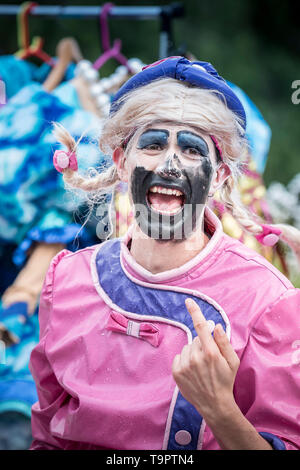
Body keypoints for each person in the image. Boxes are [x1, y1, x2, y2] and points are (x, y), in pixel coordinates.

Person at [28, 57, 300, 450]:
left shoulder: (266, 301)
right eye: (153, 144)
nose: (170, 165)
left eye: (191, 150)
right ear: (122, 163)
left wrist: (221, 411)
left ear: (219, 177)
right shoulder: (68, 279)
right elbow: (47, 434)